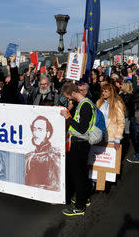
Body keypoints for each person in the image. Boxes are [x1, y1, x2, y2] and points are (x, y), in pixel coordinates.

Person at [60, 82, 94, 216]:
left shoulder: (85, 105)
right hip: (80, 143)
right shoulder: (82, 104)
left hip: (81, 143)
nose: (68, 99)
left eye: (68, 96)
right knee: (82, 173)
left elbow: (82, 128)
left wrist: (68, 117)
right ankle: (84, 198)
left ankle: (79, 206)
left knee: (79, 175)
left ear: (73, 93)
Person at [25, 116, 61, 191]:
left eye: (40, 130)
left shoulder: (54, 156)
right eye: (34, 129)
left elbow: (56, 186)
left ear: (48, 133)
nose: (35, 133)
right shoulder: (28, 156)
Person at [96, 84, 125, 150]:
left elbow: (121, 122)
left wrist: (117, 139)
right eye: (102, 91)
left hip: (111, 137)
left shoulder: (117, 104)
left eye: (106, 91)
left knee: (109, 158)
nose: (103, 93)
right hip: (99, 135)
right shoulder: (99, 103)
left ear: (111, 92)